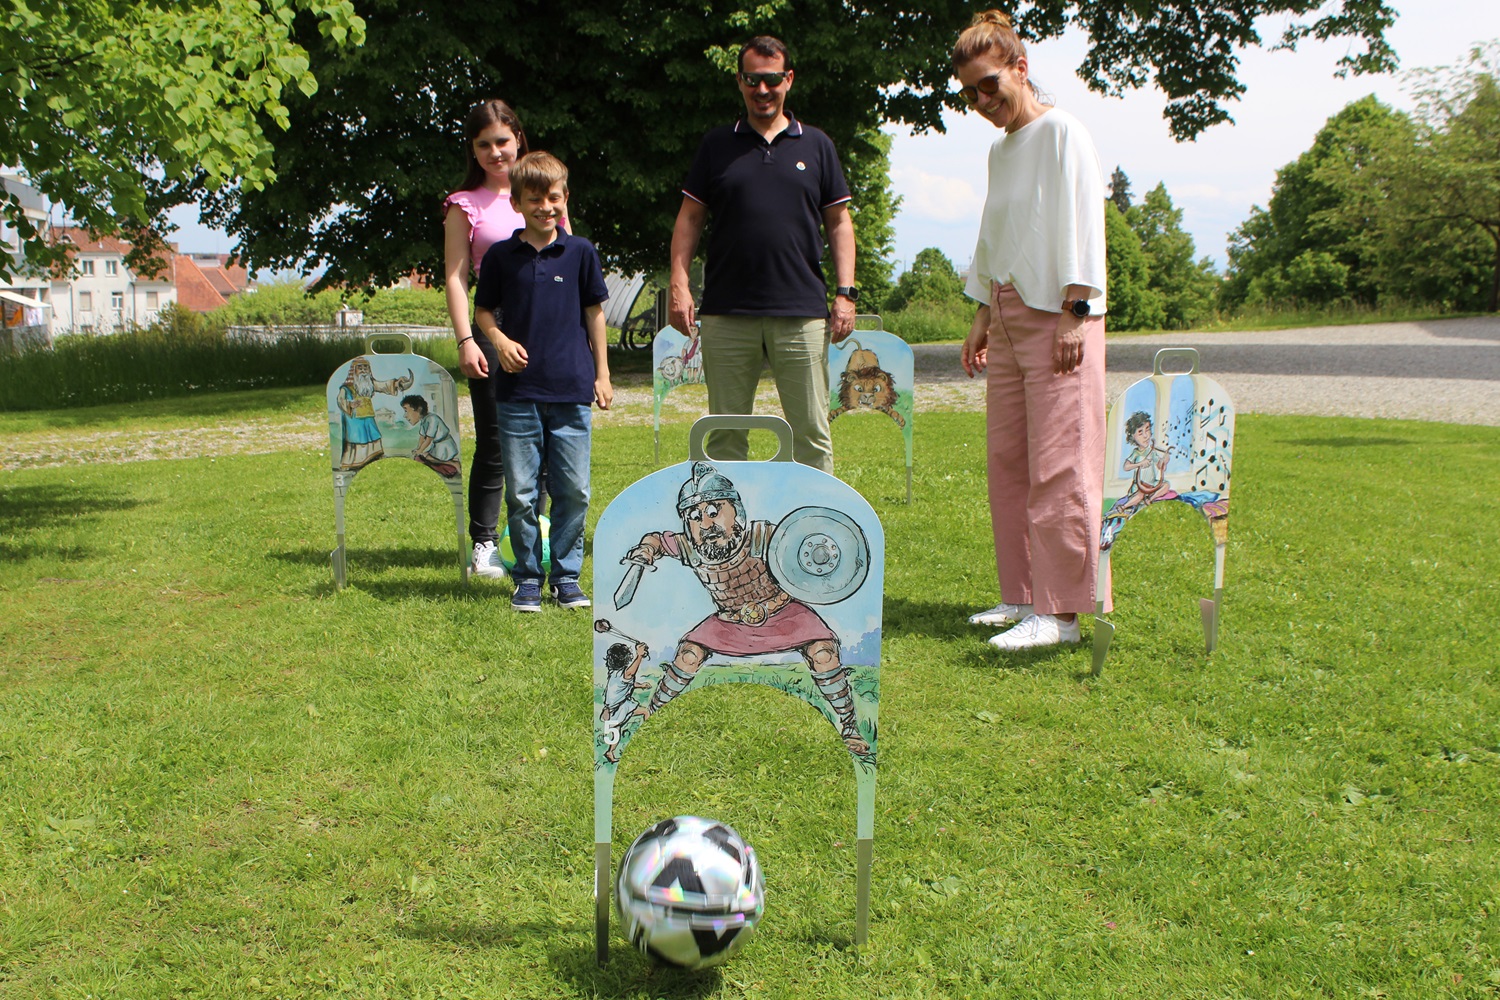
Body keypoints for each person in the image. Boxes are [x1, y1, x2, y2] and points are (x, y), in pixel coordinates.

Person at [954, 10, 1112, 651]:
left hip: (1059, 313)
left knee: (1061, 462)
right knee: (1009, 459)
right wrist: (981, 315)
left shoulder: (1063, 132)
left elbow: (1084, 221)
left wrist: (1079, 310)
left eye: (990, 84)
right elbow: (994, 235)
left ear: (1021, 67)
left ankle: (1064, 614)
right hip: (1008, 308)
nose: (982, 101)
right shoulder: (1000, 149)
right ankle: (1021, 595)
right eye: (969, 93)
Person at [667, 35, 857, 473]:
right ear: (740, 82)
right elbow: (689, 219)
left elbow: (839, 223)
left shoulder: (817, 145)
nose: (762, 90)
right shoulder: (717, 145)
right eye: (752, 80)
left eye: (772, 80)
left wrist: (845, 292)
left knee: (810, 431)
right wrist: (679, 284)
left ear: (788, 80)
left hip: (801, 311)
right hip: (727, 312)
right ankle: (724, 534)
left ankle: (817, 526)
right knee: (727, 433)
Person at [615, 461, 870, 758]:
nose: (707, 523)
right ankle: (652, 714)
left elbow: (802, 542)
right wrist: (646, 550)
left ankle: (850, 726)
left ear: (735, 509)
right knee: (688, 654)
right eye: (696, 517)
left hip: (783, 613)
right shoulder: (690, 547)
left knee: (823, 652)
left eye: (714, 512)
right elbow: (657, 540)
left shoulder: (763, 536)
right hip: (729, 622)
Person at [472, 151, 611, 612]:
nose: (544, 206)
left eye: (553, 197)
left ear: (564, 199)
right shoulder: (499, 257)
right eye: (534, 198)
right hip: (517, 395)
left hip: (571, 388)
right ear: (517, 202)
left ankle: (567, 577)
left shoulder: (580, 253)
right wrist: (498, 340)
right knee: (523, 491)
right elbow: (483, 312)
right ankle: (528, 578)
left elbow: (595, 313)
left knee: (574, 489)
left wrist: (603, 374)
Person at [443, 99, 568, 580]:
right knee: (498, 440)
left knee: (546, 439)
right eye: (484, 145)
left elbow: (570, 261)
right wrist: (466, 340)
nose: (495, 152)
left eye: (502, 141)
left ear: (519, 138)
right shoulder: (465, 204)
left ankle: (531, 534)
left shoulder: (548, 194)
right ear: (473, 151)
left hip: (549, 336)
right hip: (492, 338)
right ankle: (486, 544)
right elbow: (456, 278)